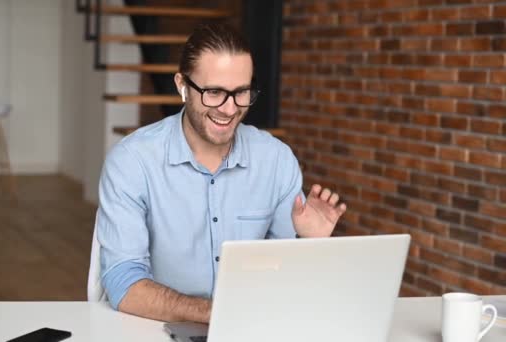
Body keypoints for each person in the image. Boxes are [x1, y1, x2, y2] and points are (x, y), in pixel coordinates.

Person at [95, 23, 347, 324]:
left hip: (250, 328)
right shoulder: (132, 161)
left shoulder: (276, 160)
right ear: (182, 86)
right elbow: (123, 284)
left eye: (241, 92)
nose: (229, 109)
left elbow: (286, 281)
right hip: (157, 329)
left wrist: (310, 245)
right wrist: (215, 314)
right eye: (214, 92)